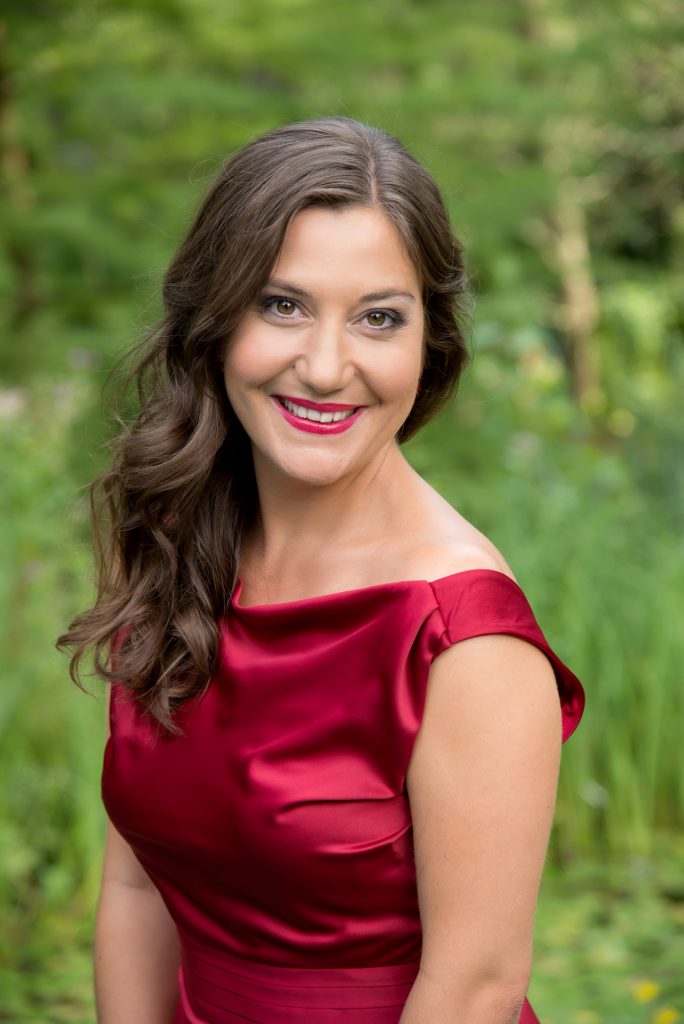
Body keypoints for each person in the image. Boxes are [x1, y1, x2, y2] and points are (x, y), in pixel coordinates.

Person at [57, 115, 585, 1024]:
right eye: (283, 305)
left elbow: (474, 988)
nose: (328, 366)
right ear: (216, 319)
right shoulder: (185, 541)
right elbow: (139, 890)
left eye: (379, 318)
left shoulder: (463, 636)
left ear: (430, 344)